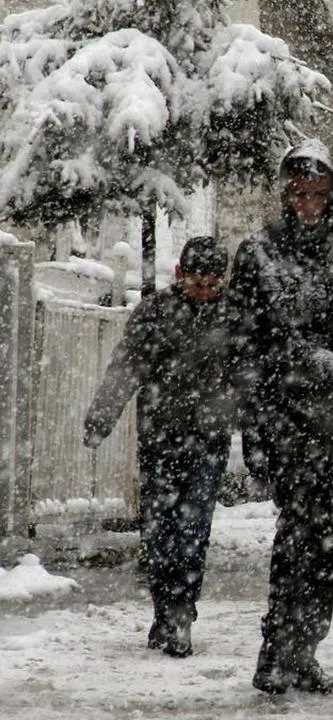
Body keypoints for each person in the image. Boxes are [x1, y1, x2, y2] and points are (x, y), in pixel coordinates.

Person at [225, 139, 333, 695]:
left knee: (332, 543)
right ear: (284, 192)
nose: (308, 204)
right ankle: (275, 649)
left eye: (318, 193)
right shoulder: (259, 255)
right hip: (289, 419)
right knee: (297, 536)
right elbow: (243, 347)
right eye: (298, 193)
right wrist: (255, 428)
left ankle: (305, 650)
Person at [82, 235, 233, 659]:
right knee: (160, 530)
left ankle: (182, 611)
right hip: (162, 438)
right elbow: (126, 367)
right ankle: (164, 608)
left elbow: (250, 379)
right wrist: (102, 416)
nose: (204, 291)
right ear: (180, 275)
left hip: (209, 438)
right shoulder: (156, 312)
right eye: (197, 282)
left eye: (212, 284)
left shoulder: (233, 315)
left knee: (194, 530)